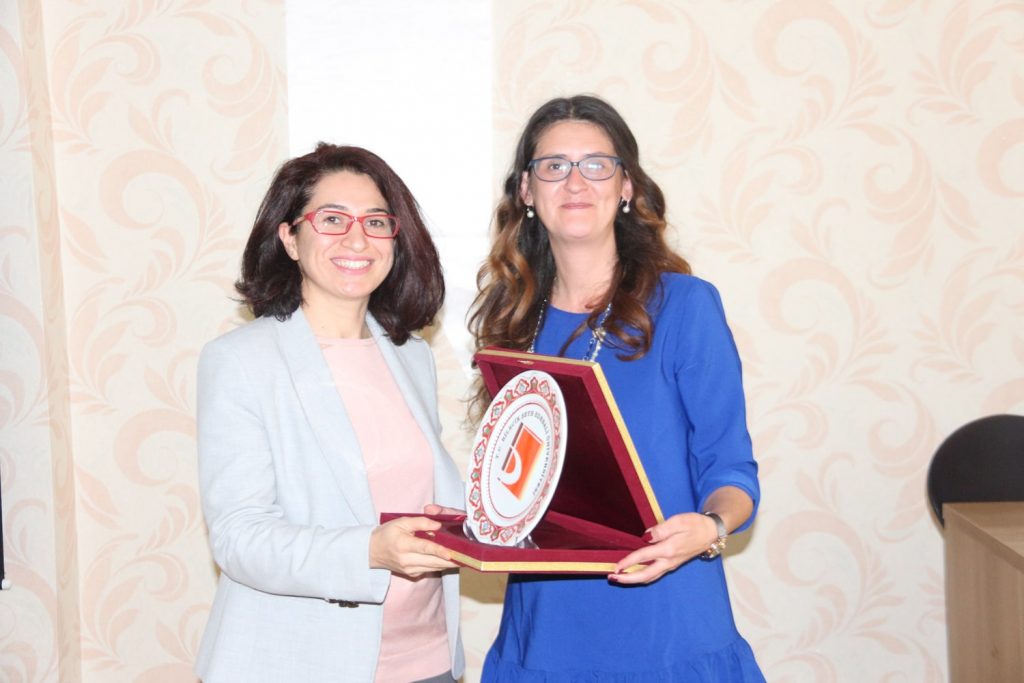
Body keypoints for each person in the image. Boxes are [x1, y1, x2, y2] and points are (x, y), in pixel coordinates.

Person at [470, 95, 764, 681]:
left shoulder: (685, 306)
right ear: (526, 191)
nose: (575, 181)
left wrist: (709, 528)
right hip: (544, 633)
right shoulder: (510, 322)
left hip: (667, 624)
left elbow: (732, 470)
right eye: (554, 165)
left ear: (626, 185)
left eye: (596, 164)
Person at [195, 143, 464, 683]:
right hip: (299, 664)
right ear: (290, 238)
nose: (357, 240)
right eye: (332, 219)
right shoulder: (241, 360)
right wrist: (369, 551)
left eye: (376, 222)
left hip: (429, 659)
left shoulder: (411, 356)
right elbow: (239, 537)